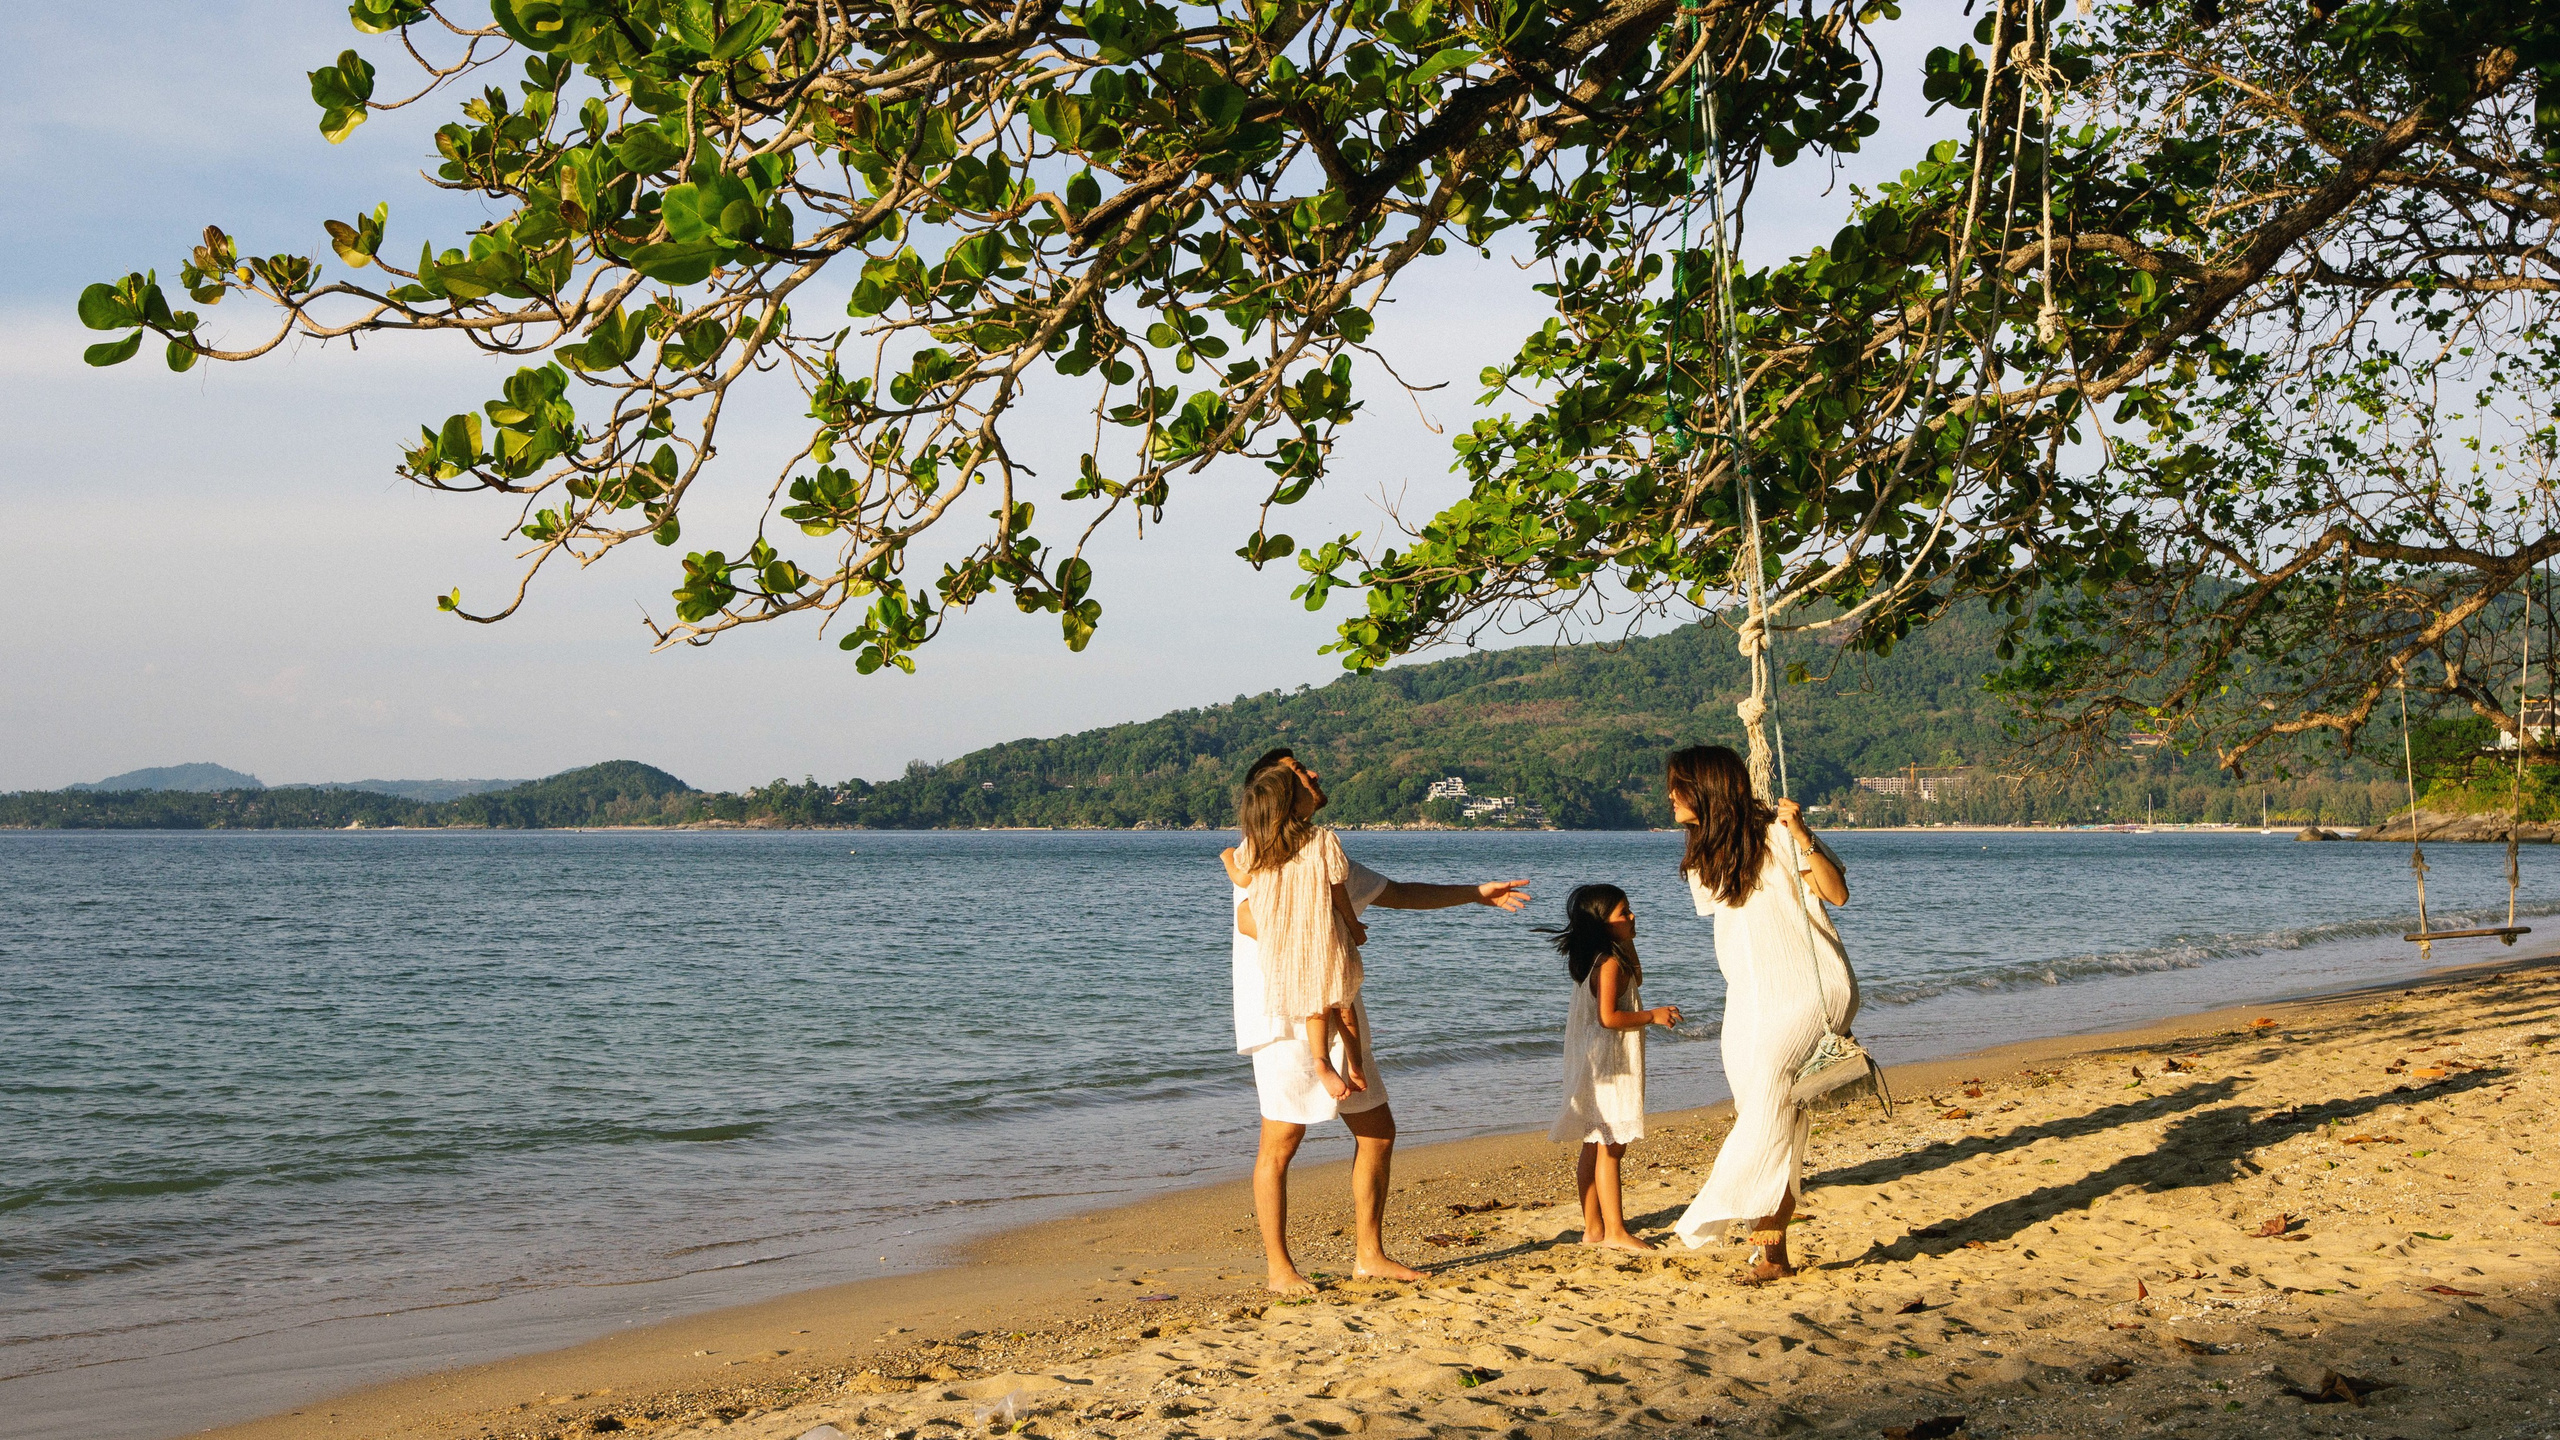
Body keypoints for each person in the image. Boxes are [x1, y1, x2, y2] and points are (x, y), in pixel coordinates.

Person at [1222, 748, 1531, 1293]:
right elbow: (1251, 919)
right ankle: (1278, 1269)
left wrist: (1473, 894)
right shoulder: (1260, 852)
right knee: (1281, 1143)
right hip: (1284, 1014)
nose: (1313, 775)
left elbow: (1393, 893)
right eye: (1299, 772)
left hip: (1335, 999)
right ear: (1276, 790)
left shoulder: (1322, 847)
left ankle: (1369, 1253)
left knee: (1378, 1132)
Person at [1662, 744, 1852, 1285]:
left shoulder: (1778, 832)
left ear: (1707, 788)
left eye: (1678, 785)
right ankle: (1774, 1255)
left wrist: (1803, 835)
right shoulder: (1705, 853)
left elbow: (1836, 895)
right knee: (1769, 1113)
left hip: (1809, 989)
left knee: (1768, 1102)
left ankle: (1709, 1212)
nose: (1670, 796)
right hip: (1748, 994)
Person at [1542, 883, 1682, 1252]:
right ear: (1603, 925)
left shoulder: (1604, 957)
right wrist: (1652, 1015)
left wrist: (1626, 935)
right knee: (1610, 1145)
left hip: (1595, 1060)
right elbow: (1608, 1017)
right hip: (1608, 1063)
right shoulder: (1607, 964)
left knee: (1594, 1143)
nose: (1633, 916)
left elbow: (1637, 974)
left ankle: (1593, 1228)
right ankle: (1615, 1232)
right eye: (1624, 914)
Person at [1235, 766, 1369, 1101]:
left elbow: (1239, 873)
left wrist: (1225, 856)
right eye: (1302, 789)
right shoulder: (1323, 840)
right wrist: (1354, 927)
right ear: (1294, 806)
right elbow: (1339, 891)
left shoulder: (1259, 846)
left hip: (1286, 945)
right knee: (1344, 1005)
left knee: (1316, 1009)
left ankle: (1323, 1063)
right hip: (1326, 937)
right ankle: (1355, 1064)